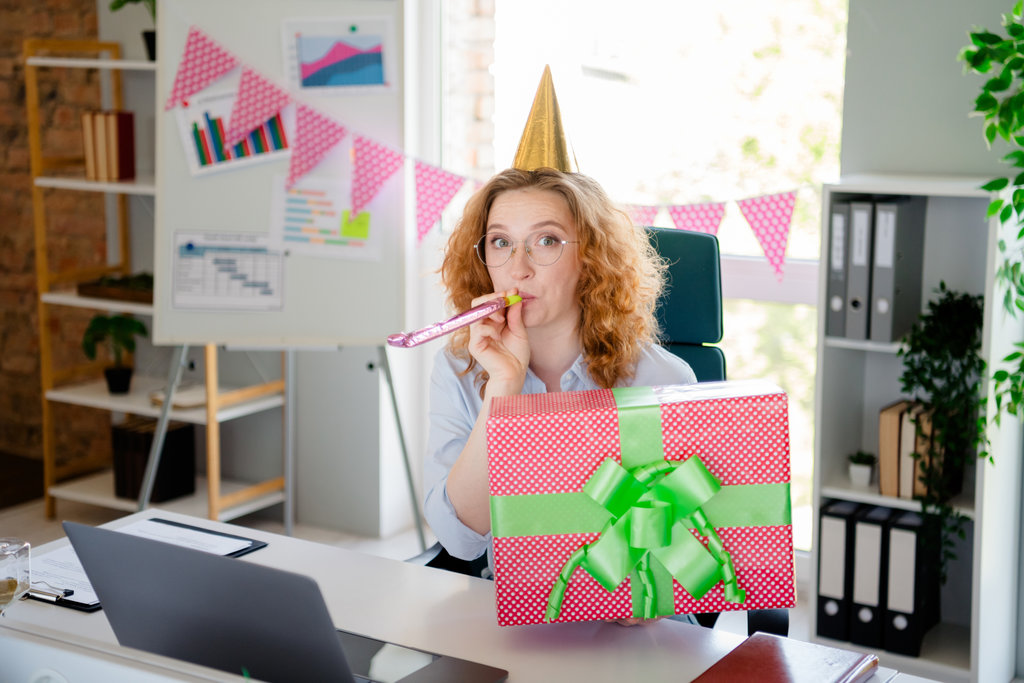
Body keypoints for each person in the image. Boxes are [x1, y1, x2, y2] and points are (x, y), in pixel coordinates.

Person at [422, 166, 697, 567]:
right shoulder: (457, 368)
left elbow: (683, 541)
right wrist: (503, 386)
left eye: (546, 240)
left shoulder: (665, 379)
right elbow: (459, 541)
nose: (518, 268)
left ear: (591, 257)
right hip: (510, 601)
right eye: (501, 242)